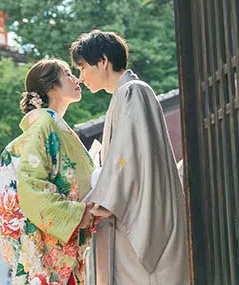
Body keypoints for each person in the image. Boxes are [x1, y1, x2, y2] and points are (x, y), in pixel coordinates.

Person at [70, 30, 190, 284]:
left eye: (82, 68)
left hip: (143, 222)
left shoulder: (133, 91)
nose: (81, 78)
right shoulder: (126, 94)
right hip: (130, 215)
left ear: (102, 61)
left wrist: (99, 193)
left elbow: (130, 159)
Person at [0, 58, 98, 285]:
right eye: (67, 74)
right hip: (49, 251)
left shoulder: (54, 126)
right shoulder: (44, 126)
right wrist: (81, 214)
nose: (76, 79)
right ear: (51, 87)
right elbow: (31, 187)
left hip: (64, 244)